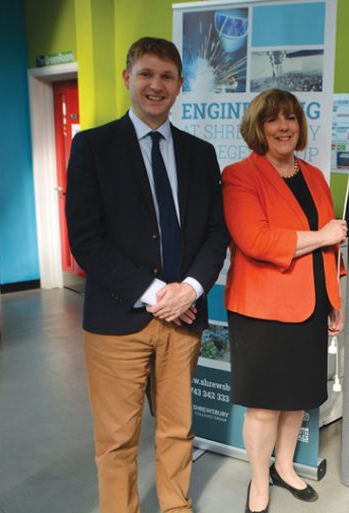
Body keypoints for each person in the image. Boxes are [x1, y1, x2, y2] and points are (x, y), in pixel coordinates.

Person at [65, 37, 229, 513]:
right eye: (146, 74)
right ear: (127, 78)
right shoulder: (93, 148)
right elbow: (87, 241)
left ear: (179, 86)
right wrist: (160, 293)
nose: (156, 85)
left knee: (178, 429)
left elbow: (216, 234)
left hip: (184, 320)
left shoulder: (200, 154)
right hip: (118, 322)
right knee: (117, 441)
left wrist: (192, 288)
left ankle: (176, 506)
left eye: (167, 77)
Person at [221, 88, 346, 513]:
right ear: (258, 127)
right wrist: (324, 235)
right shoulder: (240, 175)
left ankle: (286, 467)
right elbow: (256, 240)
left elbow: (330, 249)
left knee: (297, 399)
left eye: (291, 118)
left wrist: (334, 298)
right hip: (262, 309)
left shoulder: (313, 175)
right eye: (273, 119)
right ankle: (259, 481)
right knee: (264, 406)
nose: (283, 127)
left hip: (311, 305)